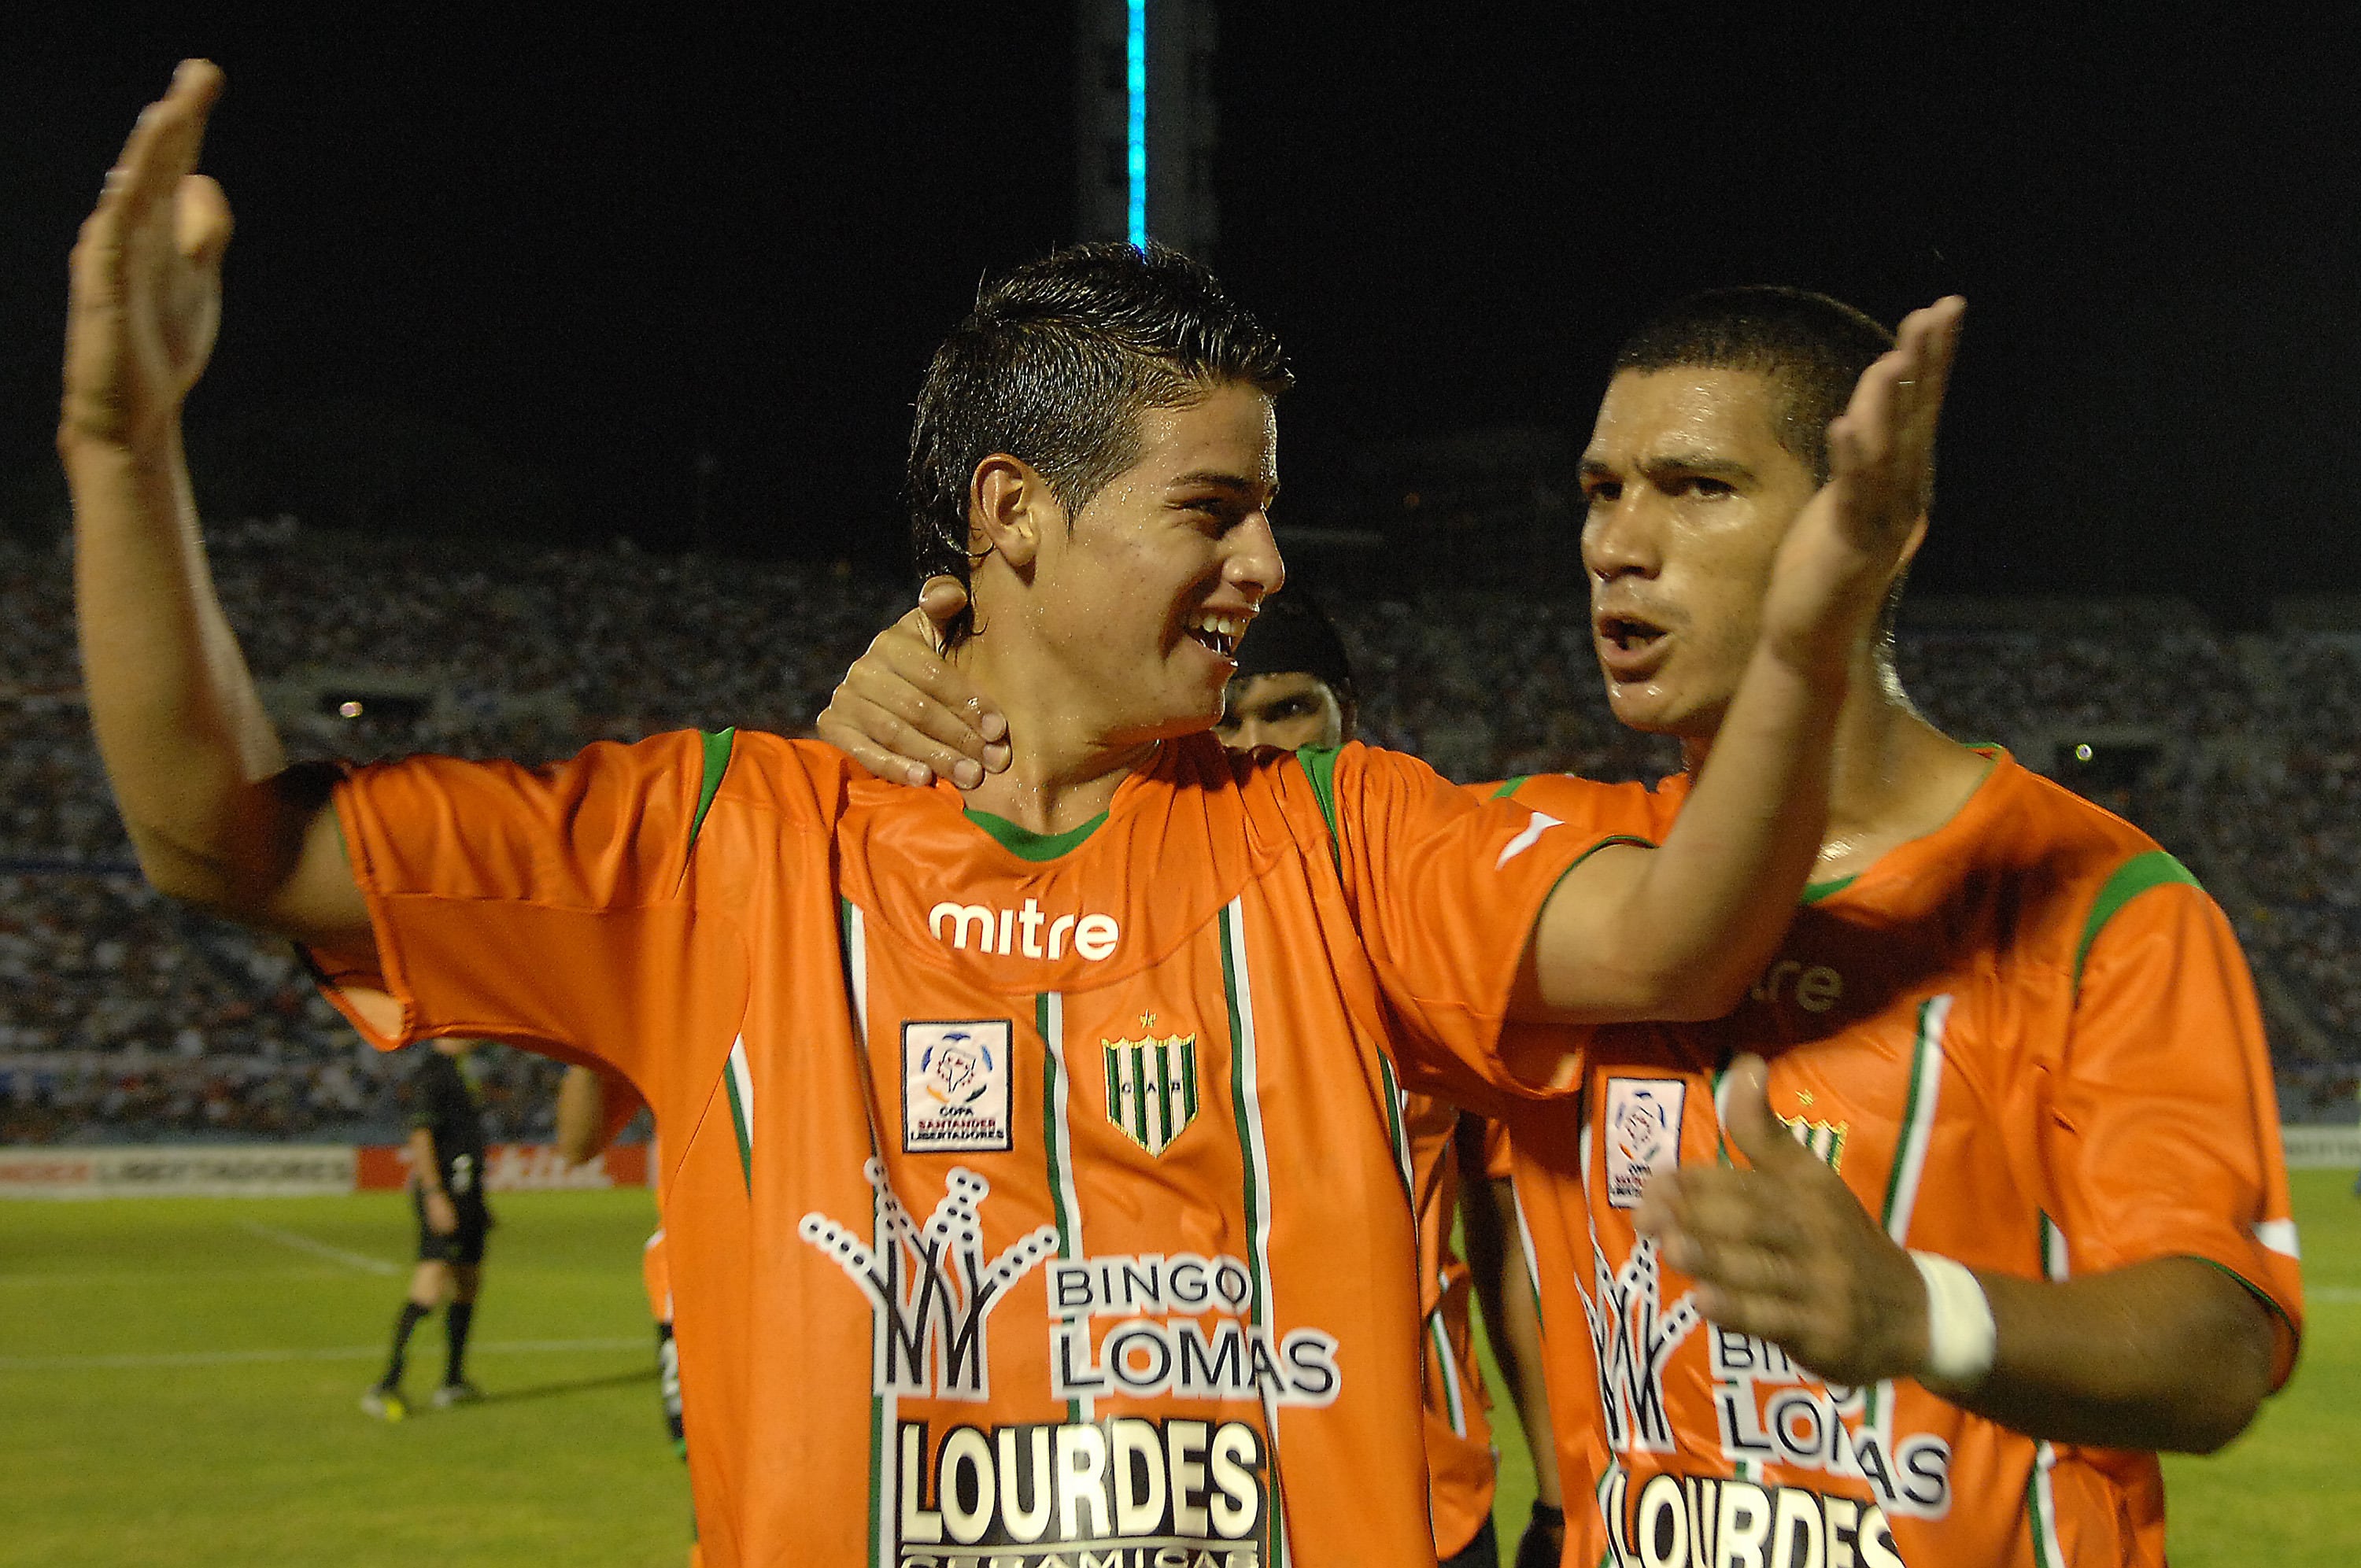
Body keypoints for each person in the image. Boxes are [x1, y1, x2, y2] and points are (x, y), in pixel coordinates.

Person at [64, 65, 1953, 1566]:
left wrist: (1801, 631)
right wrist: (123, 448)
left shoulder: (1344, 835)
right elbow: (220, 841)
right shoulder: (717, 842)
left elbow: (1679, 932)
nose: (1265, 565)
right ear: (1012, 514)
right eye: (1213, 511)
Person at [822, 286, 2306, 1565]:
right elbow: (1150, 826)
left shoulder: (2097, 905)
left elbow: (2219, 1339)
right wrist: (936, 686)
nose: (1619, 542)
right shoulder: (1551, 864)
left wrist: (1925, 1316)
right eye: (1603, 491)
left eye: (1697, 488)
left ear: (1870, 528)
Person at [362, 1035, 493, 1419]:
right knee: (432, 1281)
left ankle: (453, 1381)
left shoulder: (462, 1073)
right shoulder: (432, 1074)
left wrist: (479, 1203)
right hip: (445, 1194)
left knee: (468, 1283)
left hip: (468, 1195)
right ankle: (387, 1383)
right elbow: (420, 1137)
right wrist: (435, 1194)